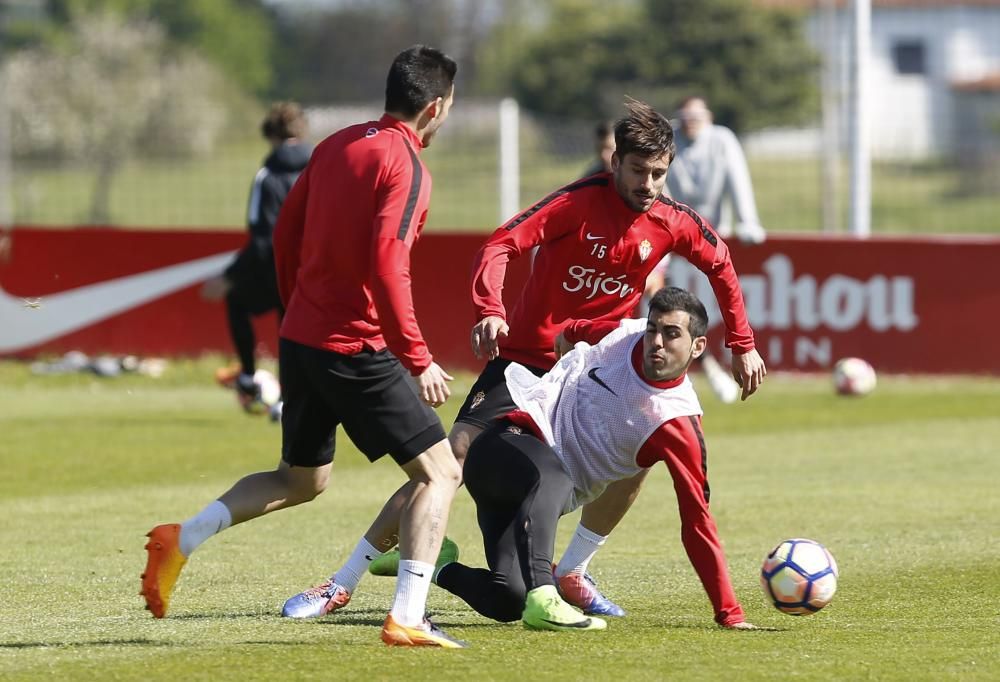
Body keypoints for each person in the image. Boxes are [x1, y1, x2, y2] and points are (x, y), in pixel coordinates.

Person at [281, 98, 765, 620]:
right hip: (527, 361)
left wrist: (742, 343)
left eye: (659, 174)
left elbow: (721, 264)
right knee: (450, 459)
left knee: (643, 448)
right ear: (614, 163)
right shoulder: (576, 204)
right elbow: (500, 245)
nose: (649, 185)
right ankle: (344, 580)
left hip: (598, 369)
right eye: (639, 171)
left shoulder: (673, 220)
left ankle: (572, 570)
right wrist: (490, 309)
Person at [140, 45, 466, 649]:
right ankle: (409, 616)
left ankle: (180, 539)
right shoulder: (407, 165)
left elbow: (286, 232)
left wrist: (296, 311)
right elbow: (390, 265)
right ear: (437, 106)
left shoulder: (338, 144)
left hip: (303, 337)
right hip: (352, 345)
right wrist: (417, 357)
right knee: (441, 471)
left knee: (301, 480)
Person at [434, 287, 758, 631]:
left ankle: (435, 562)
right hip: (505, 446)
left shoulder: (678, 422)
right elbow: (575, 329)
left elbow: (697, 522)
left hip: (525, 500)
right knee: (554, 476)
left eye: (671, 334)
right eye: (653, 330)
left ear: (698, 346)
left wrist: (730, 613)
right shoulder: (624, 333)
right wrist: (567, 341)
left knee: (508, 599)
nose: (657, 342)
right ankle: (547, 593)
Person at [202, 103, 312, 415]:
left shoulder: (268, 176)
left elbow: (263, 238)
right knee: (297, 332)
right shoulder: (322, 167)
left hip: (277, 270)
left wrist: (230, 276)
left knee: (238, 301)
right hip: (317, 270)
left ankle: (249, 378)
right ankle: (291, 400)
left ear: (272, 137)